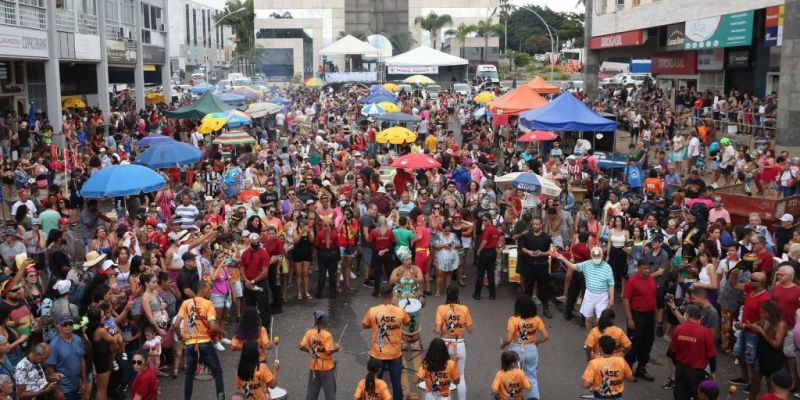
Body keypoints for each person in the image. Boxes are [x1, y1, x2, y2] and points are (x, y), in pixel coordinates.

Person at [173, 281, 227, 400]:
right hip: (204, 343)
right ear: (202, 289)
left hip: (190, 345)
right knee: (217, 371)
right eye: (209, 289)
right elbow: (213, 326)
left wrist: (181, 337)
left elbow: (176, 325)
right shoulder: (208, 304)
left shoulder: (185, 303)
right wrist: (222, 332)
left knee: (189, 375)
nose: (210, 291)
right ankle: (221, 398)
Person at [361, 283, 409, 400]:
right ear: (392, 295)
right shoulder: (400, 311)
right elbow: (407, 322)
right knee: (396, 383)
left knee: (375, 382)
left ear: (379, 295)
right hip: (395, 354)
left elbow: (364, 325)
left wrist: (376, 325)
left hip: (377, 354)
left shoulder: (372, 311)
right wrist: (397, 306)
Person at [552, 246, 615, 330]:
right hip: (589, 295)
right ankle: (590, 337)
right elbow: (573, 266)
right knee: (588, 319)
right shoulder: (587, 264)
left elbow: (611, 284)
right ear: (591, 257)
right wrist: (562, 258)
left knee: (600, 320)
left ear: (602, 256)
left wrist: (612, 299)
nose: (596, 262)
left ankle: (599, 338)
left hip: (602, 296)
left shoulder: (607, 267)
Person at [501, 296, 549, 400]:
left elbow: (509, 339)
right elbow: (546, 336)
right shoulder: (536, 319)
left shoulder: (513, 319)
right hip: (531, 349)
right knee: (531, 378)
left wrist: (503, 345)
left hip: (516, 351)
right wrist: (536, 342)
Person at [668, 305, 717, 400]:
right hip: (697, 372)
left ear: (687, 315)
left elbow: (672, 351)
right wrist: (713, 372)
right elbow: (711, 355)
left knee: (680, 395)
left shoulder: (679, 329)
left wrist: (676, 365)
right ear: (701, 317)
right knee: (697, 395)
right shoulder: (706, 333)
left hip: (681, 368)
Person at [434, 286, 472, 399]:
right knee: (460, 375)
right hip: (459, 344)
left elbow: (436, 330)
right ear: (457, 296)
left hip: (444, 345)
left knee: (443, 374)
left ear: (447, 295)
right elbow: (470, 330)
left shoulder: (440, 308)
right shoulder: (464, 308)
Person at [623, 260, 657, 382]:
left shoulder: (651, 279)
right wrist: (630, 319)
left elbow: (653, 298)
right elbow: (626, 300)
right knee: (634, 344)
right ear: (638, 268)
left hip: (649, 316)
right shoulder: (632, 281)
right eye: (645, 268)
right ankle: (627, 369)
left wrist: (656, 317)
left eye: (649, 269)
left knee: (648, 342)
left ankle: (641, 368)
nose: (647, 271)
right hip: (637, 315)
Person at [748, 300, 788, 400]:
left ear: (772, 312)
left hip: (773, 359)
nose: (762, 315)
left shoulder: (781, 324)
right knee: (755, 379)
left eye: (764, 312)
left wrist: (762, 332)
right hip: (761, 355)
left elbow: (776, 344)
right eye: (761, 312)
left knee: (771, 383)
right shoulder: (764, 320)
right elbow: (756, 325)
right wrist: (745, 325)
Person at [517, 217, 553, 318]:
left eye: (537, 224)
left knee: (544, 289)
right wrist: (529, 252)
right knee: (527, 289)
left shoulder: (546, 237)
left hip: (542, 266)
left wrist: (541, 253)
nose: (535, 226)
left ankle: (546, 309)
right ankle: (526, 310)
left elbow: (551, 251)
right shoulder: (528, 236)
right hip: (530, 265)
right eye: (533, 224)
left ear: (541, 225)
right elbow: (522, 248)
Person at [46, 315, 88, 400]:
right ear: (58, 326)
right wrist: (57, 391)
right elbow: (50, 370)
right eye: (64, 324)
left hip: (77, 384)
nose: (68, 326)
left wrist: (84, 382)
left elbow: (82, 361)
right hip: (64, 388)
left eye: (70, 323)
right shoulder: (53, 345)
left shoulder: (78, 339)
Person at [299, 310, 339, 400]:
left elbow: (301, 346)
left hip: (314, 368)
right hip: (326, 370)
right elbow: (329, 351)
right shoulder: (327, 335)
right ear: (324, 321)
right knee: (330, 396)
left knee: (311, 395)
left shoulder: (309, 332)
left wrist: (310, 351)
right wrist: (336, 349)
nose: (328, 321)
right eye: (327, 319)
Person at [582, 335, 634, 400]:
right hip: (617, 398)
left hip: (600, 397)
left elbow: (586, 385)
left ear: (600, 348)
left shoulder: (594, 363)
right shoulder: (621, 361)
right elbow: (631, 379)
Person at [240, 232, 272, 331]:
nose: (255, 243)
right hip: (248, 283)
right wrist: (246, 280)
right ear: (250, 242)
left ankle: (265, 329)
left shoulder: (264, 253)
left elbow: (265, 272)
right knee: (250, 309)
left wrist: (252, 281)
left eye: (257, 241)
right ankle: (252, 329)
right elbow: (242, 267)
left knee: (263, 308)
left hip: (259, 284)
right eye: (253, 242)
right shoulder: (245, 253)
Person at [474, 213, 501, 300]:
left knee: (481, 274)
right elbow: (500, 237)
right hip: (492, 252)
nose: (484, 222)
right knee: (490, 273)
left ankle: (477, 294)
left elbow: (484, 242)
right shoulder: (494, 229)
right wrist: (496, 246)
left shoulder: (487, 230)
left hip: (485, 252)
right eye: (483, 220)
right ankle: (492, 294)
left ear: (490, 220)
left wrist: (478, 250)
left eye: (485, 220)